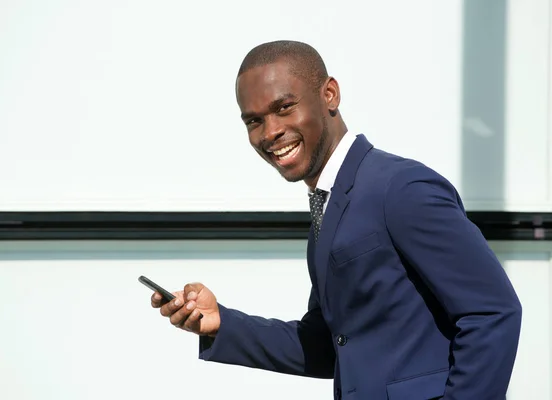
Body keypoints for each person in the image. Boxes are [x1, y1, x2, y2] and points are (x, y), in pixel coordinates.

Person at [150, 40, 522, 400]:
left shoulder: (401, 188)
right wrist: (221, 323)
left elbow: (492, 312)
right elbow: (328, 345)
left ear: (329, 94)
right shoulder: (328, 206)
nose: (270, 132)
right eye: (254, 121)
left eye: (284, 107)